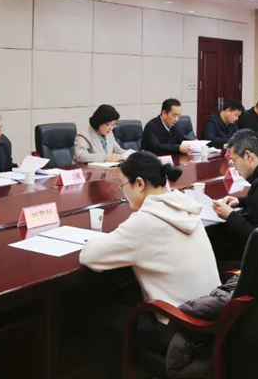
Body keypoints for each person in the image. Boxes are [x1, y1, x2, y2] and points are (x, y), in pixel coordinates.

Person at [80, 152, 219, 379]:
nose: (122, 192)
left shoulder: (145, 221)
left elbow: (90, 256)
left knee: (102, 316)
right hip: (211, 318)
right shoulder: (186, 206)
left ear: (139, 183)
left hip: (179, 330)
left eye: (123, 185)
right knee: (125, 294)